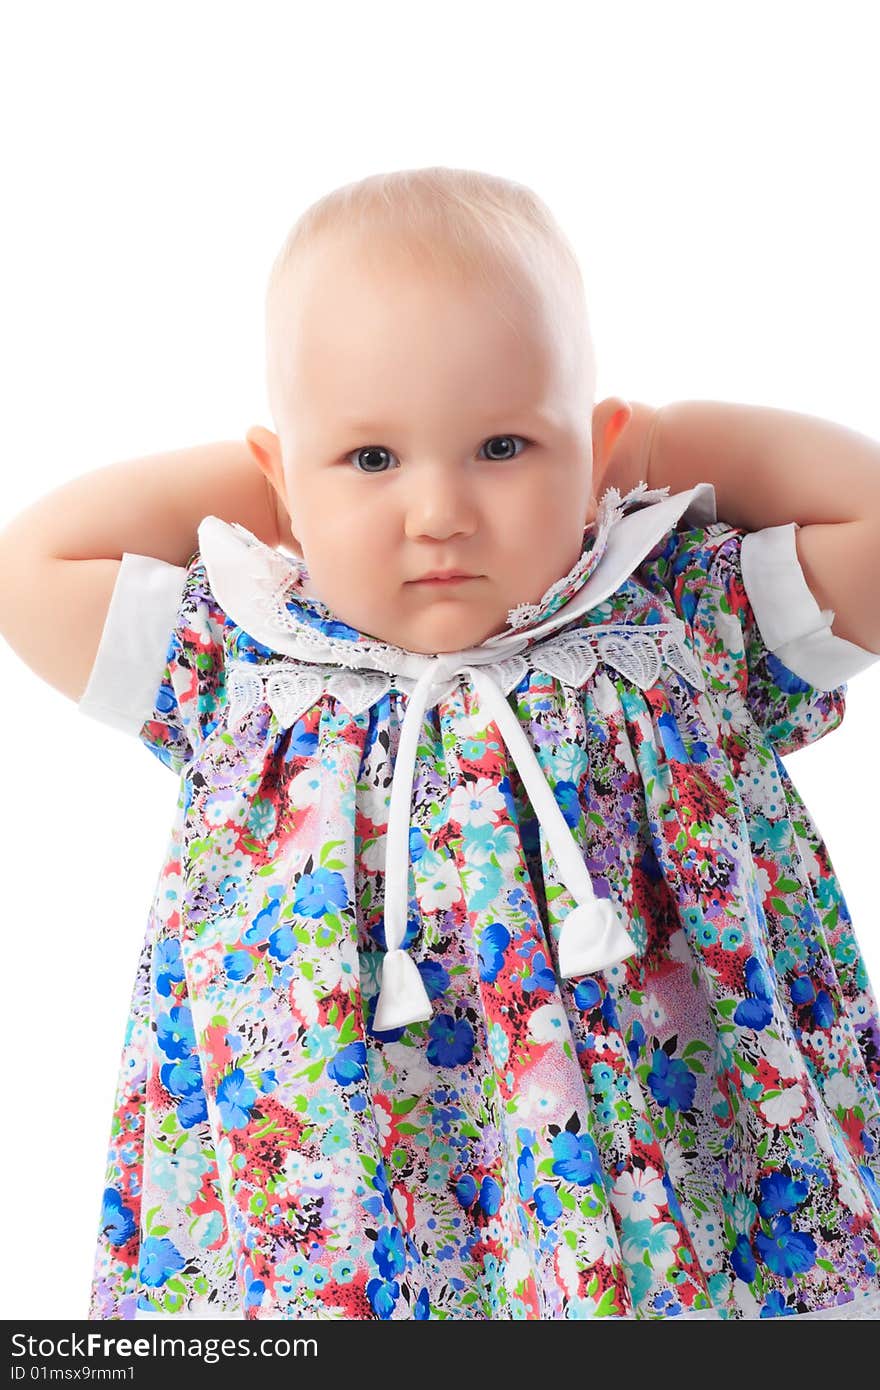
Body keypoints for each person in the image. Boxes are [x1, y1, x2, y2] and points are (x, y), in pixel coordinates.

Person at [2, 166, 880, 1321]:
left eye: (504, 445)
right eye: (372, 459)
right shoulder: (245, 661)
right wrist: (287, 501)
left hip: (670, 1178)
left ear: (596, 445)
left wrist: (659, 443)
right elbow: (30, 569)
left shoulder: (667, 621)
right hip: (352, 1196)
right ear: (282, 476)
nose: (438, 512)